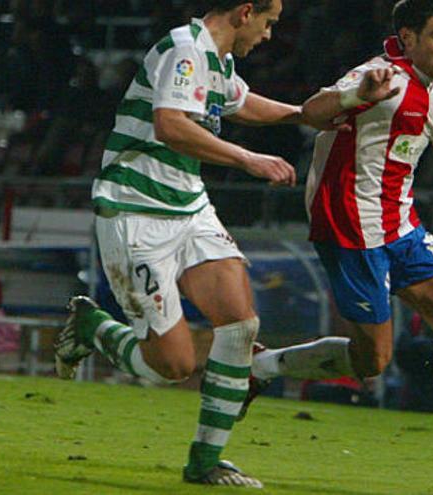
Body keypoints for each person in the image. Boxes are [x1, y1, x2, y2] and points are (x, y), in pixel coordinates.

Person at [51, 0, 341, 487]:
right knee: (172, 364)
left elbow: (241, 102)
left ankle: (205, 461)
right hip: (135, 210)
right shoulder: (184, 50)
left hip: (189, 207)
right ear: (246, 12)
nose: (269, 36)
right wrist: (249, 159)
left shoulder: (218, 60)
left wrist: (306, 114)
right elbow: (170, 124)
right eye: (269, 23)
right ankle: (92, 327)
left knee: (241, 324)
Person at [247, 0, 433, 491]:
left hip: (401, 224)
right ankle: (263, 366)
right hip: (350, 225)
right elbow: (310, 112)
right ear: (408, 36)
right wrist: (355, 96)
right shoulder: (378, 75)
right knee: (372, 361)